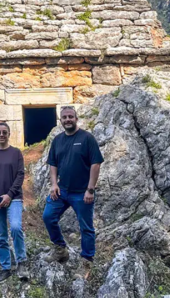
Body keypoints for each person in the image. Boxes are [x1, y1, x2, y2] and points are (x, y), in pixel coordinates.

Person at [42, 106, 104, 268]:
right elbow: (53, 164)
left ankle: (87, 260)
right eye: (64, 117)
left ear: (76, 119)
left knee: (86, 228)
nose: (67, 119)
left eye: (70, 116)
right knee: (48, 216)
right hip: (62, 191)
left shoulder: (87, 138)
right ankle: (60, 249)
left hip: (82, 193)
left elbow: (96, 164)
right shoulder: (58, 140)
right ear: (60, 120)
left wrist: (90, 189)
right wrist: (54, 184)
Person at [0, 123, 29, 284]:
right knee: (1, 235)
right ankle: (5, 268)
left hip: (14, 198)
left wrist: (9, 195)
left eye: (4, 132)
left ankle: (21, 262)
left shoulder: (16, 153)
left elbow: (20, 175)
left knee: (15, 227)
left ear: (9, 134)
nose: (1, 135)